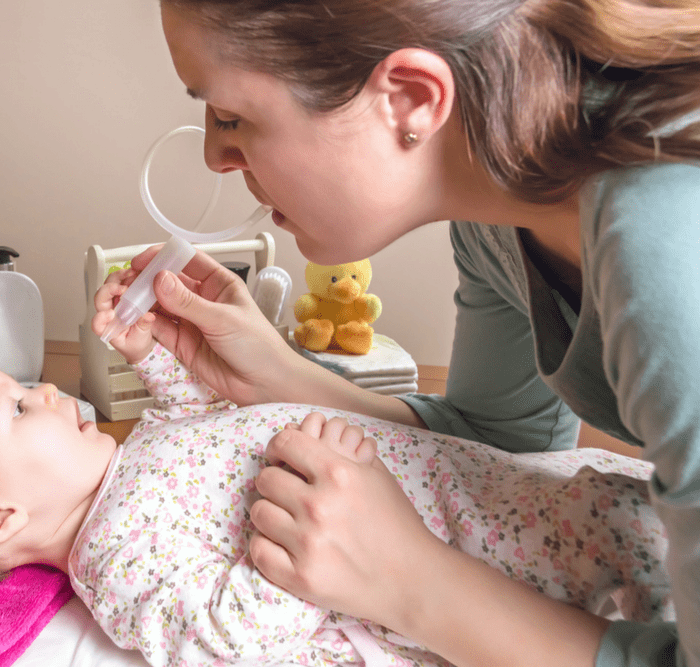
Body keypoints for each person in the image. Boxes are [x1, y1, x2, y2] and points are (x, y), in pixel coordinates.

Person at [108, 1, 700, 666]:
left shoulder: (670, 248)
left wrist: (408, 580)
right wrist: (275, 377)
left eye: (231, 116)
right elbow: (502, 446)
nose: (217, 155)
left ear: (409, 99)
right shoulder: (496, 221)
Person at [0, 280, 671, 667]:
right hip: (465, 550)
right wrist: (312, 545)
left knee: (602, 502)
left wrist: (156, 359)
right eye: (18, 407)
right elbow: (230, 639)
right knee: (615, 560)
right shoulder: (117, 561)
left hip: (484, 485)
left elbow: (198, 424)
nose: (47, 390)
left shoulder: (128, 463)